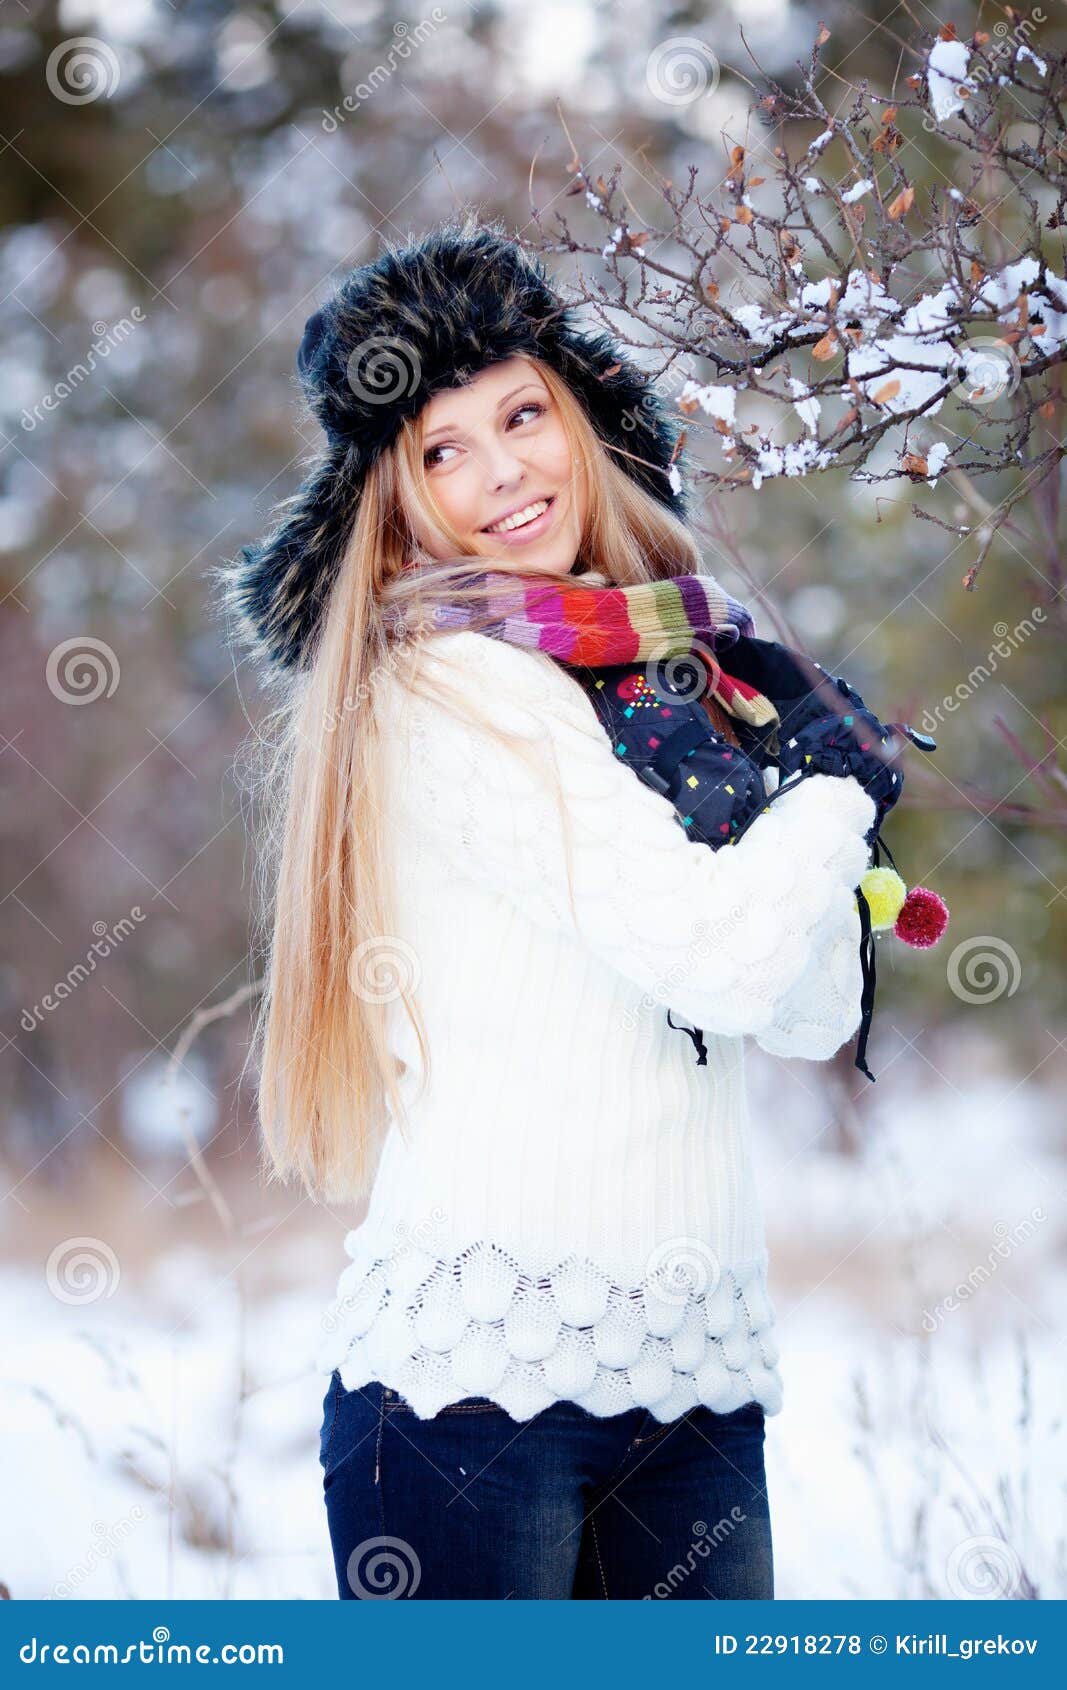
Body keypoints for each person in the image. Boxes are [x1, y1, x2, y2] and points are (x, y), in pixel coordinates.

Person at [217, 214, 882, 1601]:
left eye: (522, 413)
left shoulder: (652, 670)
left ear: (583, 419)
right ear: (396, 502)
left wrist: (769, 781)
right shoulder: (448, 687)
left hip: (693, 1388)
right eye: (442, 449)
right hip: (472, 1410)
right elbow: (720, 957)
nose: (502, 469)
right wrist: (832, 785)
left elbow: (811, 1008)